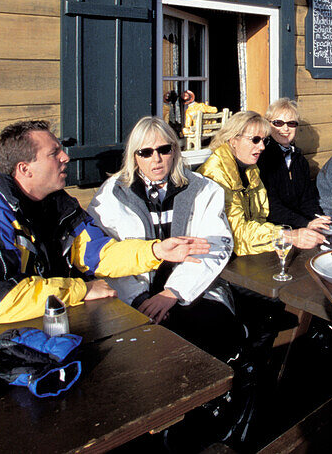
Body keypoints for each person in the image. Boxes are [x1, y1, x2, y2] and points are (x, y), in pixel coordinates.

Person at [0, 120, 210, 323]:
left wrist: (155, 251)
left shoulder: (59, 205)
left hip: (50, 318)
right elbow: (3, 301)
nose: (66, 158)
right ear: (25, 169)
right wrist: (81, 290)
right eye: (54, 153)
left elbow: (98, 253)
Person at [86, 117, 242, 362]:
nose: (156, 159)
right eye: (146, 152)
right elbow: (108, 256)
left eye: (164, 149)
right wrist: (140, 299)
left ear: (175, 150)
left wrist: (172, 293)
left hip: (190, 288)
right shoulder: (111, 195)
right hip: (133, 293)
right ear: (134, 156)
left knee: (214, 330)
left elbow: (213, 244)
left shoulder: (204, 189)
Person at [199, 111, 325, 255]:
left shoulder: (250, 169)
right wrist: (289, 236)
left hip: (250, 248)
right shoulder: (216, 175)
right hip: (218, 253)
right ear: (233, 140)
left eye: (264, 140)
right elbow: (236, 232)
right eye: (255, 140)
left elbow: (260, 216)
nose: (262, 147)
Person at [257, 98, 329, 230]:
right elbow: (270, 206)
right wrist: (305, 223)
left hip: (298, 224)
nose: (285, 128)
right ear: (268, 125)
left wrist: (317, 218)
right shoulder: (262, 159)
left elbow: (307, 199)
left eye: (291, 123)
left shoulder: (299, 160)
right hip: (274, 229)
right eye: (278, 123)